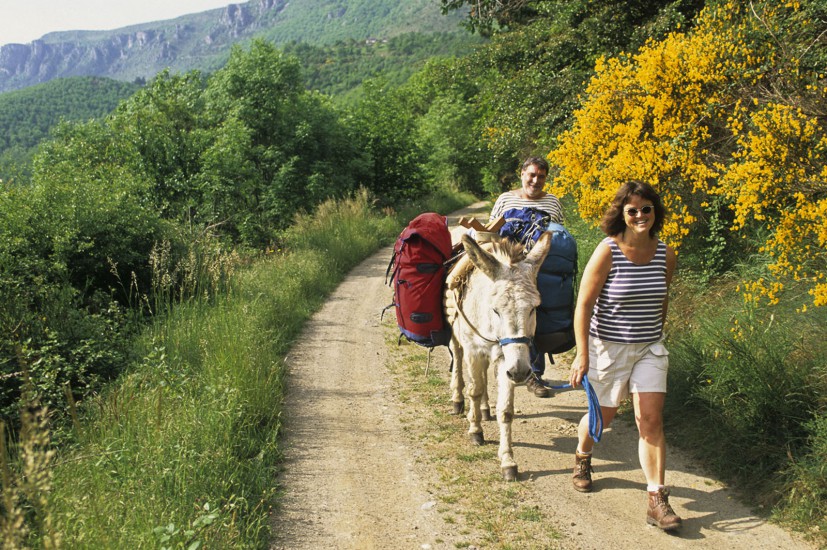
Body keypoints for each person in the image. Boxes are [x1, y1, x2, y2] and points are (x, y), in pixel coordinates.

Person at [568, 180, 681, 530]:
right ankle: (583, 455)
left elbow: (662, 298)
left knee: (650, 421)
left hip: (649, 347)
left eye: (646, 209)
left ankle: (657, 499)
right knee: (604, 417)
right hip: (609, 347)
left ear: (654, 212)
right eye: (632, 210)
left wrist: (655, 334)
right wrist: (582, 355)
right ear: (622, 214)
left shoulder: (666, 253)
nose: (640, 215)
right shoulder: (608, 250)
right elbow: (584, 305)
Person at [489, 156, 564, 398]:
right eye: (531, 175)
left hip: (536, 270)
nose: (536, 180)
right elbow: (490, 233)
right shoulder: (505, 199)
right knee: (505, 316)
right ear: (522, 174)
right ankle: (499, 361)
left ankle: (534, 374)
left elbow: (559, 237)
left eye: (541, 176)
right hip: (508, 271)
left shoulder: (553, 202)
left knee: (534, 318)